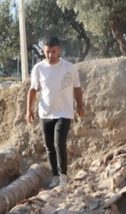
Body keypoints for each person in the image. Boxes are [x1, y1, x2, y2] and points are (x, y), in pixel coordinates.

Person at [26, 37, 85, 189]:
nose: (51, 55)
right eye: (47, 52)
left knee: (59, 143)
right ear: (43, 51)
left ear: (59, 50)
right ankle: (55, 177)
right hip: (45, 113)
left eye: (54, 52)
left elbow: (77, 88)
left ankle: (63, 177)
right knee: (49, 146)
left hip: (64, 112)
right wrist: (29, 110)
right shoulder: (38, 68)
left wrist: (80, 106)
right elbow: (33, 90)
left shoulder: (69, 68)